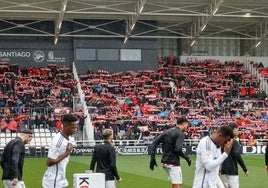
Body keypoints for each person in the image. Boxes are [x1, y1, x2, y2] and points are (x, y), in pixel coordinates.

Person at [149, 117, 191, 188]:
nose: (187, 127)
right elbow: (177, 149)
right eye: (187, 125)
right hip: (173, 162)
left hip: (165, 162)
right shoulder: (180, 133)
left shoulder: (166, 131)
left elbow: (154, 143)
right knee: (178, 185)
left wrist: (152, 157)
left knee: (175, 184)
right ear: (184, 124)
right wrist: (187, 158)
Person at [42, 113, 78, 188]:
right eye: (73, 128)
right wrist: (67, 153)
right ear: (66, 126)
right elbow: (49, 162)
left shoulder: (69, 138)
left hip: (60, 178)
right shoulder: (58, 142)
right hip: (53, 180)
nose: (75, 130)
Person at [220, 123, 249, 188]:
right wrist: (245, 169)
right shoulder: (234, 142)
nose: (238, 131)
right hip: (232, 170)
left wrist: (219, 170)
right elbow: (237, 155)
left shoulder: (222, 141)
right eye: (237, 130)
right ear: (233, 130)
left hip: (223, 170)